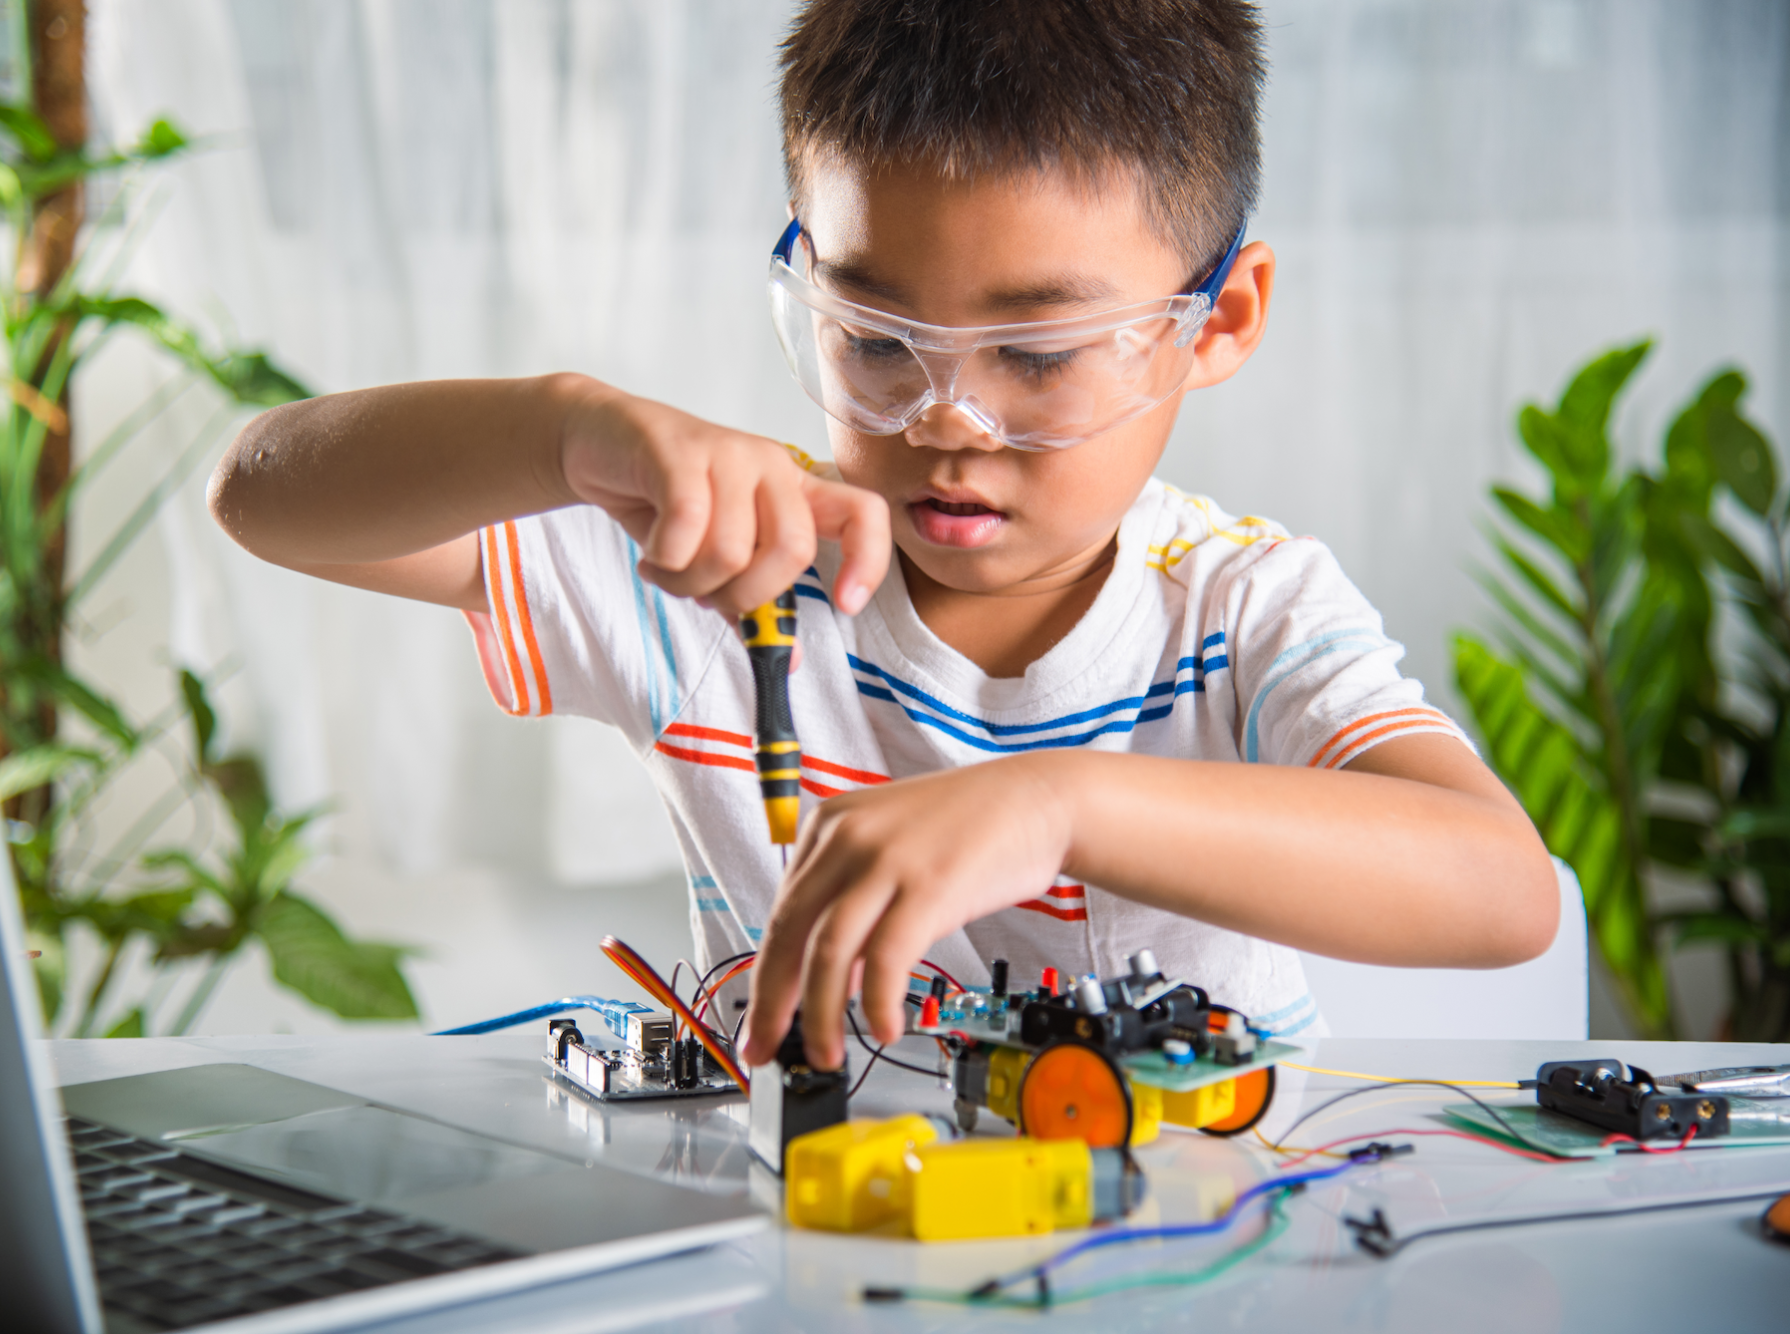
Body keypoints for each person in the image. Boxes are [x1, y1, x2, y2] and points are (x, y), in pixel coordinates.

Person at [208, 0, 1558, 1074]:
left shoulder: (1238, 607)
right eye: (877, 340)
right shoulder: (720, 563)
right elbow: (259, 495)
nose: (949, 421)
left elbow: (1502, 893)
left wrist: (1057, 804)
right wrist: (562, 428)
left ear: (1220, 320)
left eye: (1038, 352)